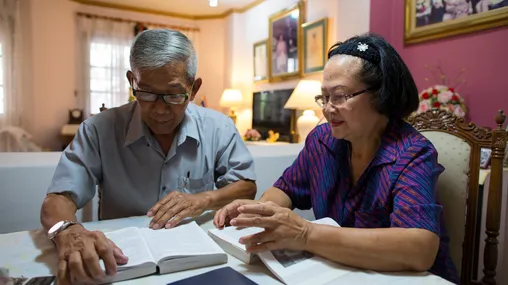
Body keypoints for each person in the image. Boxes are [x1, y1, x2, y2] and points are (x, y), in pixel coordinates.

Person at [214, 33, 459, 284]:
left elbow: (419, 249)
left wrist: (306, 233)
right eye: (325, 97)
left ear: (380, 94)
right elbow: (284, 190)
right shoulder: (322, 140)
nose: (329, 109)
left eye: (340, 96)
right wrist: (258, 212)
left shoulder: (412, 152)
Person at [40, 29, 257, 284]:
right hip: (121, 266)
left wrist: (205, 199)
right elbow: (58, 198)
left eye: (174, 95)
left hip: (198, 263)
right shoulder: (98, 130)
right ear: (132, 81)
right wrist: (67, 230)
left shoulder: (218, 128)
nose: (160, 109)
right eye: (146, 93)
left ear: (194, 88)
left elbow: (246, 186)